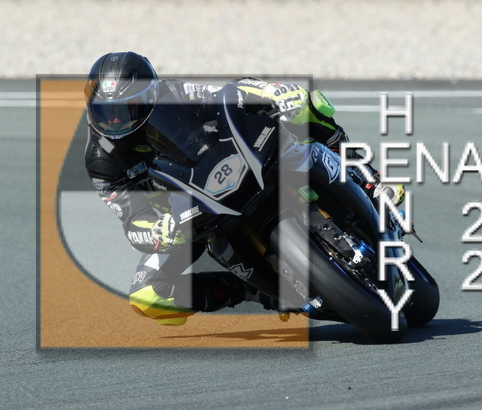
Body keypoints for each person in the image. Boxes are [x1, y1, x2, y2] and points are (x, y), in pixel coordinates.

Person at [84, 51, 404, 326]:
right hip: (187, 216)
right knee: (146, 297)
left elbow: (233, 91)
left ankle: (366, 175)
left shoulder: (176, 93)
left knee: (307, 105)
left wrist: (273, 92)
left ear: (149, 96)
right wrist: (156, 231)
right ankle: (254, 292)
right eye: (105, 112)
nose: (114, 122)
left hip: (238, 160)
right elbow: (131, 220)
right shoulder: (102, 161)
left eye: (125, 110)